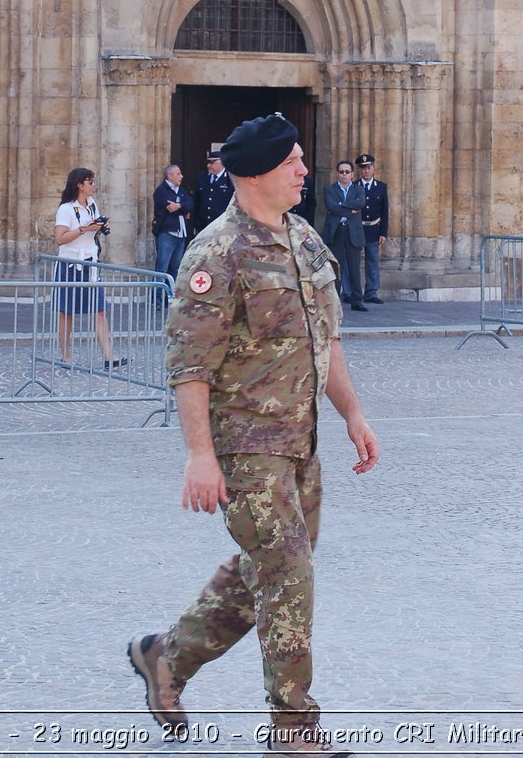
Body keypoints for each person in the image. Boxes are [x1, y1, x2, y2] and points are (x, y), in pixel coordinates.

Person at [128, 115, 379, 756]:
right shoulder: (216, 254)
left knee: (267, 570)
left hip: (302, 440)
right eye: (293, 160)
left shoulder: (306, 242)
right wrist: (198, 457)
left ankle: (166, 657)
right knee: (289, 572)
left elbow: (329, 341)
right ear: (258, 173)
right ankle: (294, 732)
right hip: (245, 447)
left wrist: (352, 414)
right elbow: (189, 365)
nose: (305, 170)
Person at [53, 167, 116, 369]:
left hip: (90, 262)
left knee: (99, 310)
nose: (93, 185)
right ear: (80, 185)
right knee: (67, 312)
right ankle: (66, 355)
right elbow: (60, 239)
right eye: (90, 182)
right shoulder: (66, 208)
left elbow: (92, 231)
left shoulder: (91, 205)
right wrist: (83, 229)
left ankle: (108, 356)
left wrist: (100, 227)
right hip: (70, 264)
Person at [322, 161, 367, 311]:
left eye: (347, 172)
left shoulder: (359, 189)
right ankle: (334, 300)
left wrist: (341, 206)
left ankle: (356, 300)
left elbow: (360, 203)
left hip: (352, 232)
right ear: (337, 174)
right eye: (341, 172)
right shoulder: (329, 189)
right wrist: (350, 210)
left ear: (353, 174)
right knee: (336, 267)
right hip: (336, 231)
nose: (344, 175)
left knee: (354, 267)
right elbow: (330, 206)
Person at [354, 154, 389, 304]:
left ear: (373, 168)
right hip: (357, 228)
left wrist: (383, 232)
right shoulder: (355, 186)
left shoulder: (381, 187)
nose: (366, 171)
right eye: (363, 168)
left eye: (369, 167)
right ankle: (352, 292)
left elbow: (384, 211)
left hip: (373, 228)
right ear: (360, 170)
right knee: (353, 261)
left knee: (372, 261)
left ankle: (371, 292)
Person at [153, 164, 194, 286]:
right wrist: (182, 208)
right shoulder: (161, 191)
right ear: (169, 176)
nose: (181, 176)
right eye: (178, 174)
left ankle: (171, 297)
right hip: (167, 233)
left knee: (175, 268)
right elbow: (170, 208)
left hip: (181, 233)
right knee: (162, 268)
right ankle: (158, 299)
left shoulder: (181, 190)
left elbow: (190, 204)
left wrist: (179, 206)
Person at [192, 150, 234, 233]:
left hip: (222, 226)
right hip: (203, 226)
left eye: (212, 162)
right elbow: (197, 200)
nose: (209, 165)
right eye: (208, 162)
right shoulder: (202, 177)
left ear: (222, 163)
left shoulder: (230, 179)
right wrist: (196, 222)